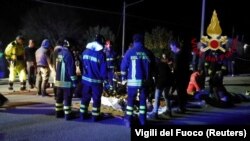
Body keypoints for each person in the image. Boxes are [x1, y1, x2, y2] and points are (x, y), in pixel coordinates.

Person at [121, 34, 154, 127]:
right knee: (143, 102)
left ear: (134, 41)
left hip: (132, 82)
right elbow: (154, 67)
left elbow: (123, 67)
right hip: (145, 82)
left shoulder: (129, 52)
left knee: (130, 101)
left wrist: (123, 77)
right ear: (143, 41)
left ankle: (128, 121)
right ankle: (143, 121)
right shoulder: (148, 52)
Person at [80, 34, 107, 122]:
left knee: (85, 97)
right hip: (96, 82)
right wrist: (105, 79)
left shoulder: (85, 51)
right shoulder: (101, 54)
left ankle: (82, 114)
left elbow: (82, 65)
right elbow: (103, 71)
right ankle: (95, 116)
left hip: (85, 81)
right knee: (96, 99)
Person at [54, 39, 77, 120]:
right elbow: (71, 69)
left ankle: (58, 113)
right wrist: (75, 81)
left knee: (59, 98)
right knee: (67, 98)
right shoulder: (68, 54)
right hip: (66, 81)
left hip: (58, 81)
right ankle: (68, 115)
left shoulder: (59, 53)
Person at [148, 53, 173, 119]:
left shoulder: (154, 65)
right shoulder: (164, 64)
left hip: (160, 83)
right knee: (166, 96)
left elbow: (154, 75)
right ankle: (169, 111)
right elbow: (169, 73)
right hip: (168, 82)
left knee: (157, 97)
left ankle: (155, 113)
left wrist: (155, 84)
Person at [170, 41, 190, 113]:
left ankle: (181, 108)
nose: (171, 49)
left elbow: (176, 67)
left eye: (172, 47)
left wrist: (174, 75)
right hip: (185, 75)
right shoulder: (184, 53)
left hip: (179, 76)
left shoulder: (177, 55)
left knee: (180, 92)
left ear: (175, 46)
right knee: (184, 92)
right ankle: (183, 107)